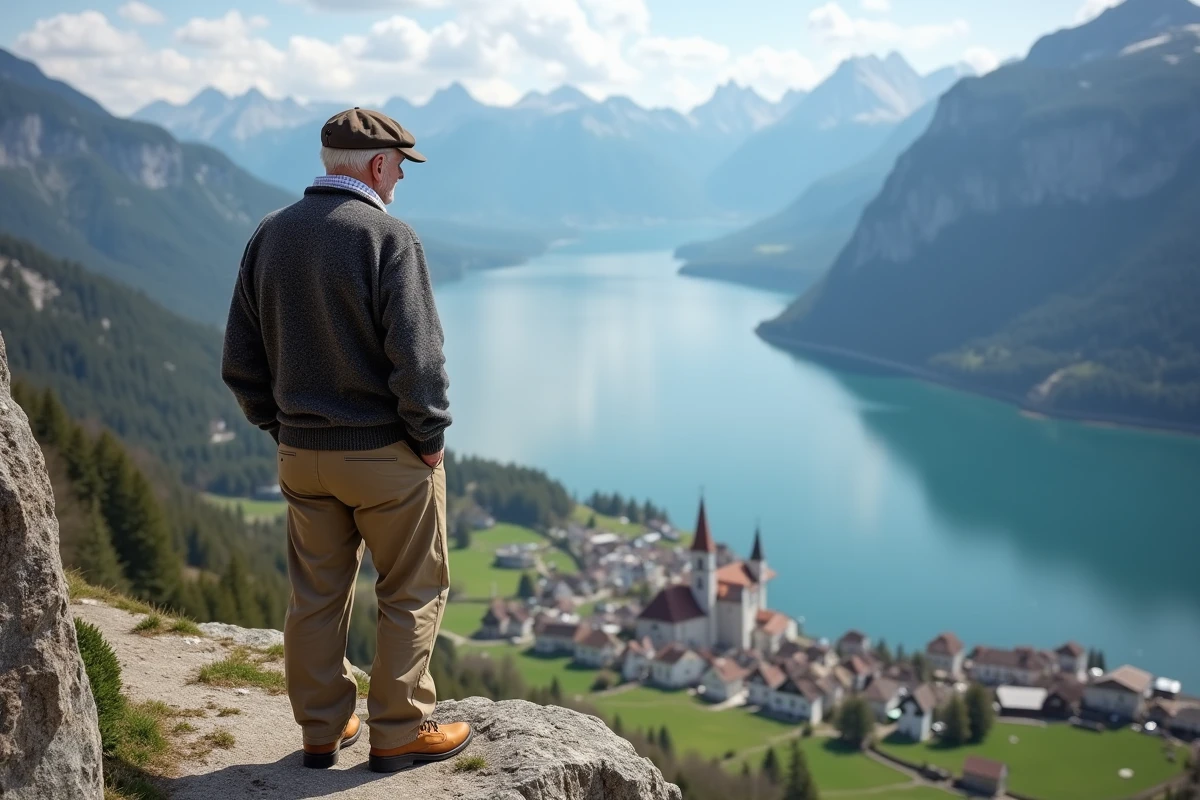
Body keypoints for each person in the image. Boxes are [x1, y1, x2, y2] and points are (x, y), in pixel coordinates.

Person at [221, 107, 470, 773]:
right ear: (379, 165)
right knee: (412, 589)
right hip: (386, 456)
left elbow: (240, 361)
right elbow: (419, 360)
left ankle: (323, 730)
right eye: (399, 170)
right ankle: (399, 729)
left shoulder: (269, 236)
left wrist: (284, 429)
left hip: (303, 457)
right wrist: (429, 437)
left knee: (316, 594)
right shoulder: (389, 237)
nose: (400, 183)